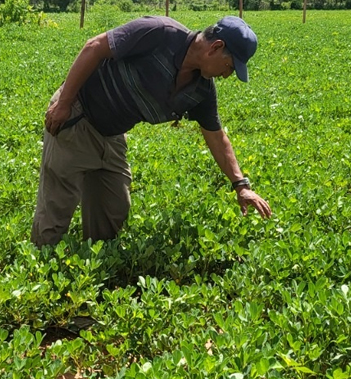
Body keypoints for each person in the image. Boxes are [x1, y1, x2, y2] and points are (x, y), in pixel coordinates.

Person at [31, 15, 272, 247]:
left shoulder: (201, 91)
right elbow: (95, 46)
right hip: (78, 112)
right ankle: (43, 267)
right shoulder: (160, 33)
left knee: (113, 208)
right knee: (57, 206)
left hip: (112, 133)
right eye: (229, 66)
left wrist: (241, 186)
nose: (227, 75)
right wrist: (64, 103)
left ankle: (91, 268)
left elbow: (217, 137)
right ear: (216, 47)